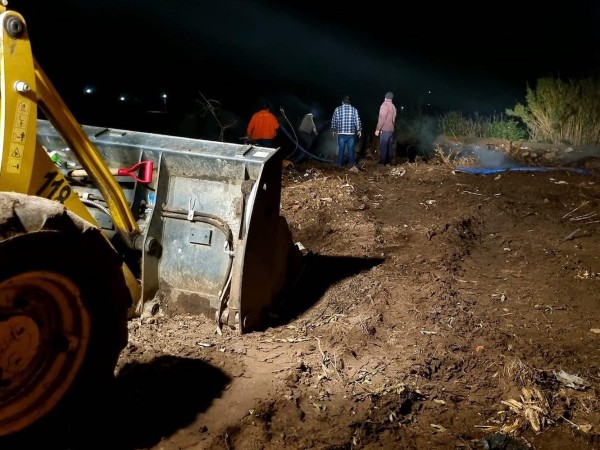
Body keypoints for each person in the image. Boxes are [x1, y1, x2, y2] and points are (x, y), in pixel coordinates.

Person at [331, 95, 362, 167]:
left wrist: (333, 130)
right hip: (351, 134)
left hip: (341, 133)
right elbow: (357, 121)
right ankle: (352, 164)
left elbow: (334, 120)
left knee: (341, 149)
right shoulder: (354, 109)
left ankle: (339, 164)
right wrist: (359, 130)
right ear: (349, 102)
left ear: (342, 102)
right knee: (351, 149)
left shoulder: (337, 109)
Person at [374, 92, 397, 165]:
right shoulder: (393, 106)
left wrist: (377, 129)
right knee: (389, 146)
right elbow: (394, 119)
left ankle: (382, 163)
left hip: (385, 130)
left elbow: (382, 119)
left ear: (385, 98)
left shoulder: (384, 105)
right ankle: (389, 162)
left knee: (383, 146)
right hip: (391, 130)